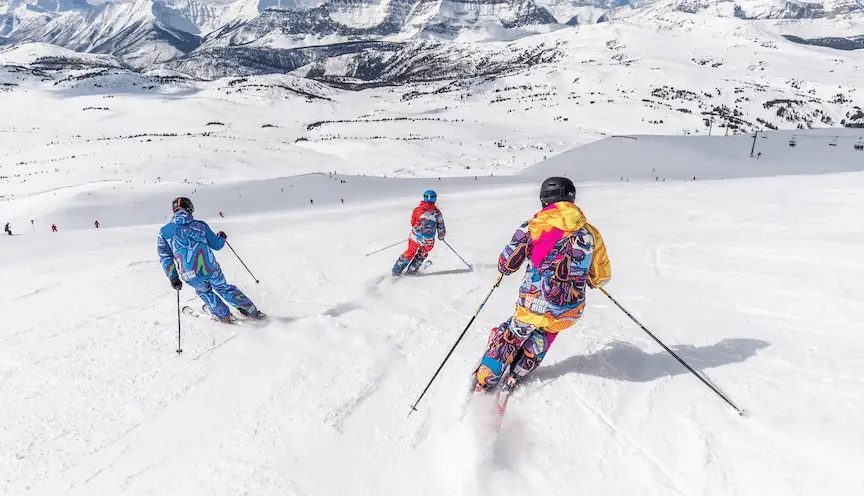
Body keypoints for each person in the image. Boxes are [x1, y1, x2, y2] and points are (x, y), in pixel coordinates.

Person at [473, 177, 611, 394]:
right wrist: (590, 279)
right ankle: (518, 373)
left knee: (513, 333)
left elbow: (508, 263)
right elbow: (600, 276)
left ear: (545, 200)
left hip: (533, 303)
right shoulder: (591, 233)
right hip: (569, 308)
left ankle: (487, 377)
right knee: (545, 333)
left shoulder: (533, 226)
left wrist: (504, 270)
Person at [157, 197, 265, 323]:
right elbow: (216, 245)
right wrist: (221, 237)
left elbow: (165, 257)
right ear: (190, 209)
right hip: (210, 268)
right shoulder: (200, 226)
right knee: (223, 288)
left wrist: (173, 277)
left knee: (205, 292)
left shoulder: (164, 232)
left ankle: (224, 316)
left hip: (189, 274)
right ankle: (251, 311)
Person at [392, 190, 446, 276]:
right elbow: (441, 226)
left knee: (410, 252)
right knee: (422, 253)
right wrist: (441, 236)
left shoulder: (418, 210)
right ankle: (412, 270)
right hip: (428, 241)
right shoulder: (437, 213)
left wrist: (418, 231)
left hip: (415, 237)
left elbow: (413, 222)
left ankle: (396, 270)